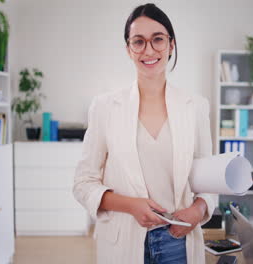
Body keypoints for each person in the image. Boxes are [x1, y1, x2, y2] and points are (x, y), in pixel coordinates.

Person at [73, 3, 215, 264]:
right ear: (128, 49)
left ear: (171, 45)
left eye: (158, 39)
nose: (149, 50)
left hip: (177, 240)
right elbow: (83, 184)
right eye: (138, 42)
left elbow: (209, 183)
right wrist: (130, 205)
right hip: (123, 240)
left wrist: (198, 209)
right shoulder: (105, 107)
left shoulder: (196, 106)